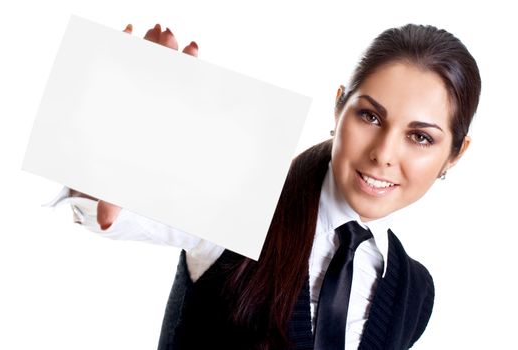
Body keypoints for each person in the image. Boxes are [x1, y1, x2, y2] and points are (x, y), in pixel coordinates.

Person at [51, 22, 481, 350]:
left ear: (455, 155)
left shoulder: (413, 292)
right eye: (369, 116)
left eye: (420, 137)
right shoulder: (242, 197)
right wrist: (110, 130)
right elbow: (98, 196)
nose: (384, 153)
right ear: (339, 109)